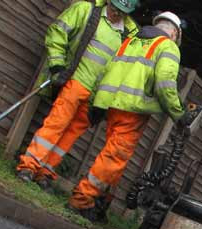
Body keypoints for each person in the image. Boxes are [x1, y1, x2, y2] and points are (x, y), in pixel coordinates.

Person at [68, 11, 189, 220]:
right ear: (175, 34)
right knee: (114, 157)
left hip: (112, 105)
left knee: (114, 157)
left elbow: (107, 69)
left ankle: (100, 203)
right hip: (133, 111)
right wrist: (179, 114)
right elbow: (165, 84)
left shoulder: (131, 41)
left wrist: (97, 101)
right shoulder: (167, 46)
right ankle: (82, 199)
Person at [17, 0, 139, 187]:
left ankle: (45, 172)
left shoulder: (130, 36)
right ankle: (28, 166)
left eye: (122, 11)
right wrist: (57, 64)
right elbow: (57, 32)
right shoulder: (86, 10)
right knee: (56, 124)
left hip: (96, 97)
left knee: (71, 134)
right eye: (115, 8)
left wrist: (105, 104)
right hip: (75, 83)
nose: (116, 13)